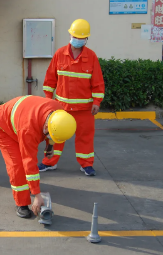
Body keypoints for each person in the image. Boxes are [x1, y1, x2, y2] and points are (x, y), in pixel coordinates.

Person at [0, 95, 76, 218]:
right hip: (1, 127)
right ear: (46, 126)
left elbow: (53, 134)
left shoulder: (59, 116)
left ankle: (27, 188)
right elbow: (29, 162)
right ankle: (21, 203)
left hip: (18, 121)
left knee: (23, 163)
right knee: (17, 164)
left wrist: (50, 146)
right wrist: (37, 195)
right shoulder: (29, 129)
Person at [39, 19, 105, 176]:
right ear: (70, 34)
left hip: (84, 109)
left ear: (86, 39)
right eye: (76, 36)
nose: (78, 40)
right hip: (61, 107)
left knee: (85, 137)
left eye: (82, 38)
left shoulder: (91, 57)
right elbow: (50, 80)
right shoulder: (60, 54)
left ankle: (86, 164)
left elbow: (97, 82)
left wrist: (97, 102)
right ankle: (49, 162)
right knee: (54, 135)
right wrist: (49, 100)